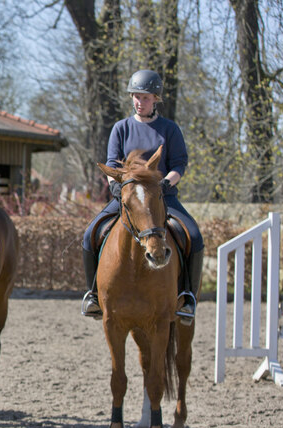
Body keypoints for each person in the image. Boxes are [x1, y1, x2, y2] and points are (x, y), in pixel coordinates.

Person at [81, 69, 205, 325]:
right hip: (127, 197)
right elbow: (111, 163)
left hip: (163, 197)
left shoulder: (169, 129)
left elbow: (179, 164)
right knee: (89, 234)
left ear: (156, 99)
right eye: (136, 96)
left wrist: (163, 184)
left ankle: (187, 296)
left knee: (193, 235)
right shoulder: (121, 128)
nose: (139, 101)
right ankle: (94, 295)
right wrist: (116, 187)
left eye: (145, 97)